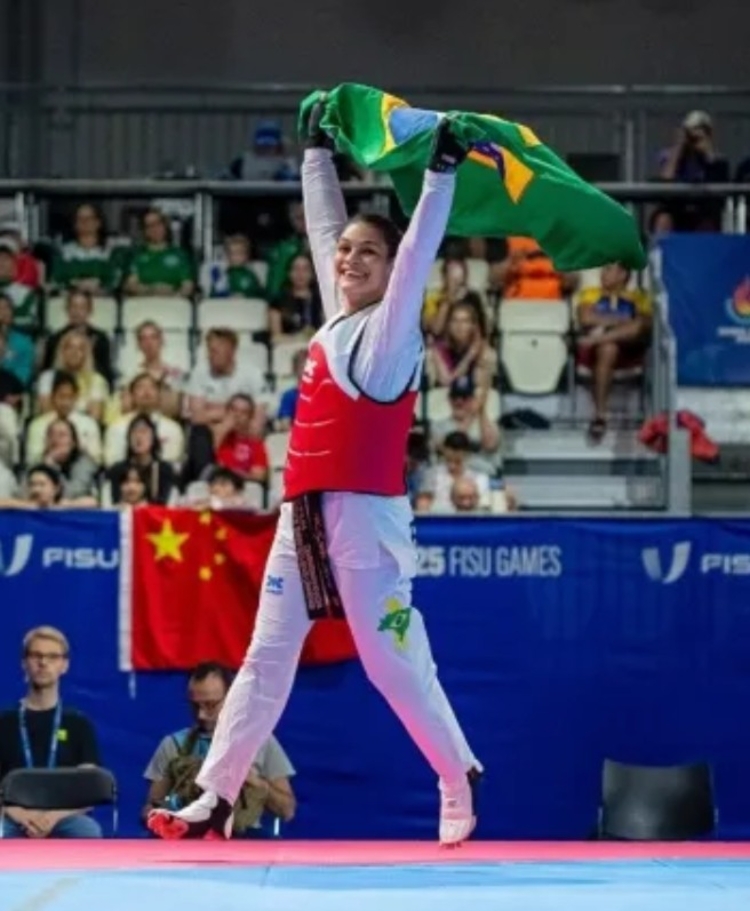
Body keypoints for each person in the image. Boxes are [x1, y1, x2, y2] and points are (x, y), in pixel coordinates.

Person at [148, 101, 482, 847]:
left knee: (393, 664)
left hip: (368, 523)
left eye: (370, 253)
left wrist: (441, 173)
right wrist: (315, 153)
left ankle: (456, 773)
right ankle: (214, 792)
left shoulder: (393, 334)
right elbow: (325, 228)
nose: (349, 258)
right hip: (301, 516)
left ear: (393, 270)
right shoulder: (337, 317)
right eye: (348, 253)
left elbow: (420, 249)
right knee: (264, 657)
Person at [0, 626, 102, 838]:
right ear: (24, 663)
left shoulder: (78, 724)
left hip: (63, 818)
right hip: (12, 816)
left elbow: (88, 790)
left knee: (87, 830)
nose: (43, 663)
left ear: (64, 665)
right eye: (36, 655)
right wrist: (17, 813)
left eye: (52, 657)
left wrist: (53, 817)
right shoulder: (5, 721)